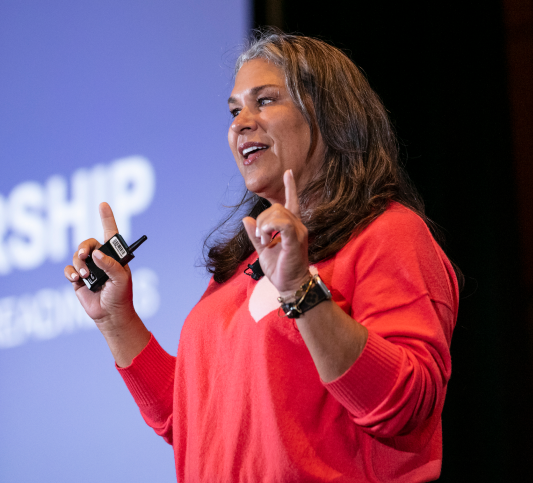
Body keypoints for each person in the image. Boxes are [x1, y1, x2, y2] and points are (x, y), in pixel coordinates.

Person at [64, 31, 459, 483]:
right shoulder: (238, 270)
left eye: (265, 101)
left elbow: (404, 405)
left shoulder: (387, 233)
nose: (240, 123)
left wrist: (300, 292)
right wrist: (117, 320)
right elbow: (193, 422)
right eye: (234, 111)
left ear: (328, 115)